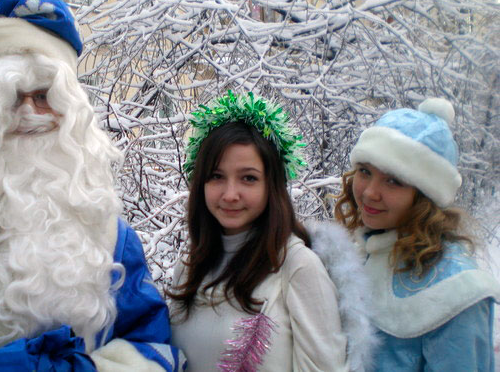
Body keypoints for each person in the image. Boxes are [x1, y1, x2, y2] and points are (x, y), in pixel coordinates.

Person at [0, 0, 184, 371]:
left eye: (44, 96)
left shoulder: (111, 238)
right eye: (10, 97)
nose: (28, 113)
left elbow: (152, 344)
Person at [168, 91, 373, 372]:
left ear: (271, 185)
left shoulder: (297, 266)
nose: (230, 194)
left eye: (248, 178)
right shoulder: (189, 267)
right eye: (216, 176)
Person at [334, 97, 500, 371]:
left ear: (424, 196)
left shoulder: (456, 293)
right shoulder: (365, 249)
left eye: (393, 181)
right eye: (365, 171)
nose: (370, 192)